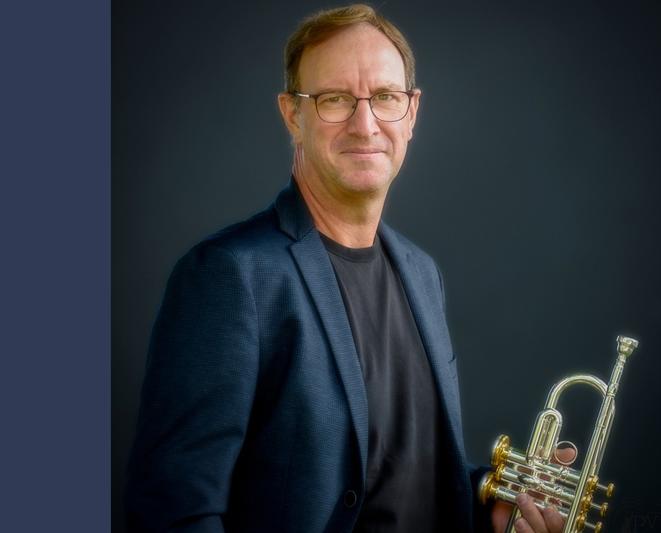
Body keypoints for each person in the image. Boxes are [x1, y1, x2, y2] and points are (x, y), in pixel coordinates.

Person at [125, 4, 567, 532]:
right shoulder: (229, 276)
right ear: (293, 115)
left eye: (385, 98)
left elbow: (400, 477)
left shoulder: (422, 275)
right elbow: (173, 513)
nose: (365, 124)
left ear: (412, 112)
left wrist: (489, 504)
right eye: (334, 99)